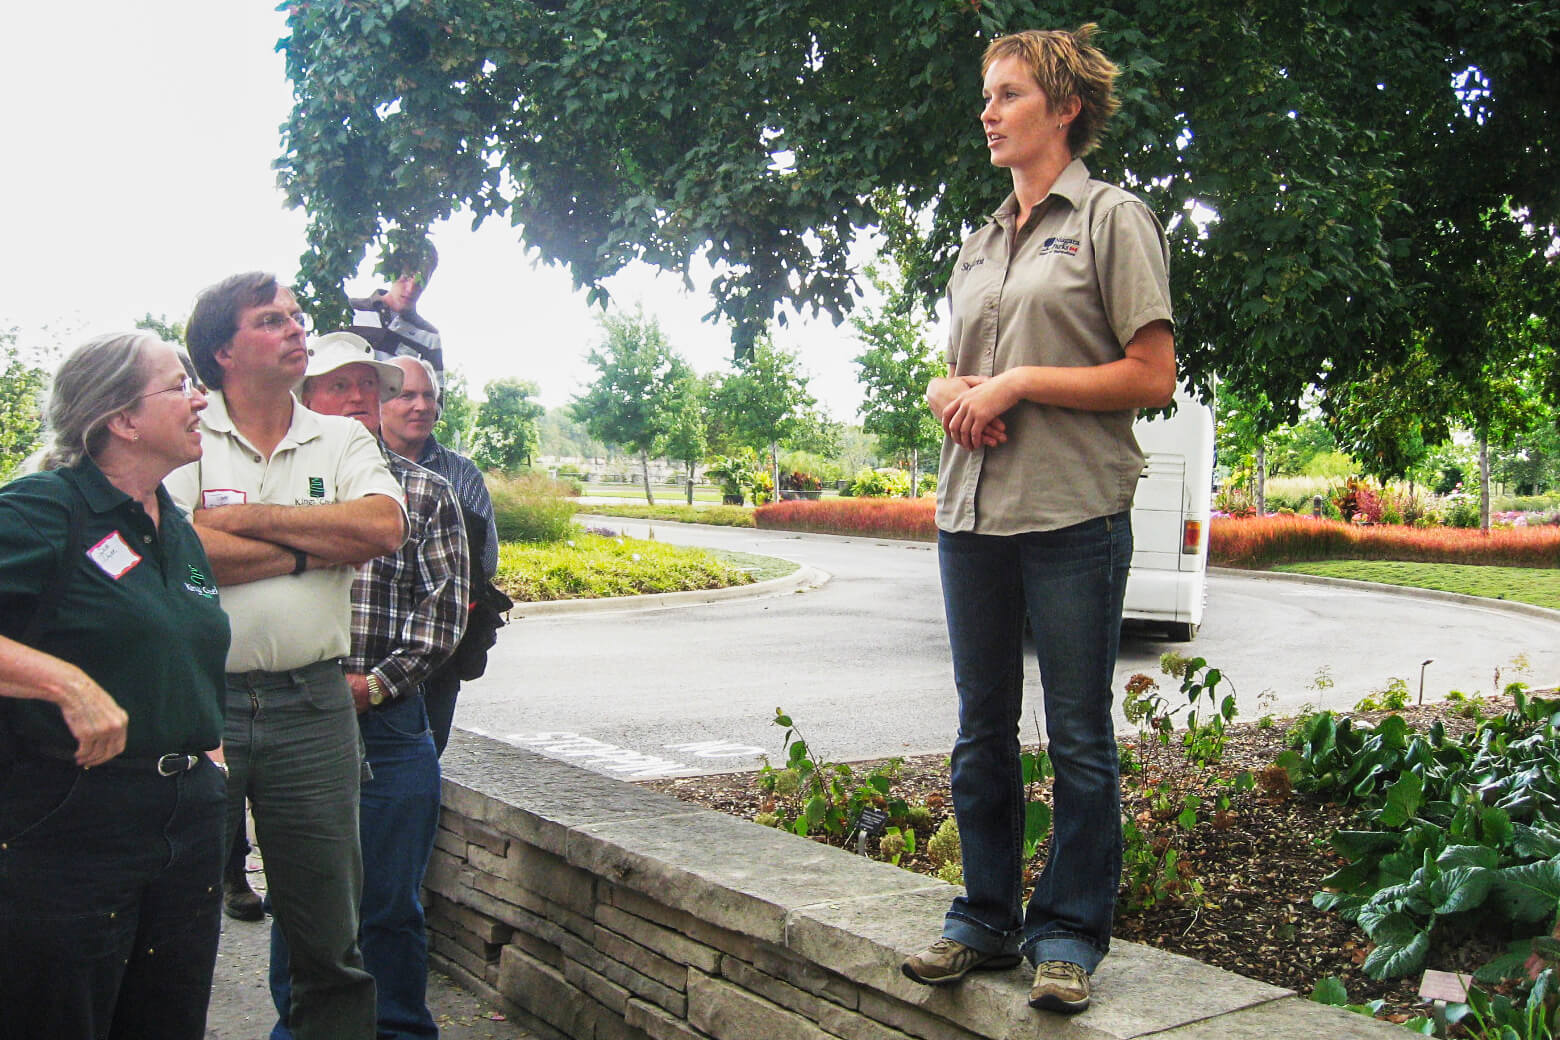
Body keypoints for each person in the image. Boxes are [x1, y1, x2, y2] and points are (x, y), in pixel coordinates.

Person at [900, 26, 1176, 1016]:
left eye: (1008, 93)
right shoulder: (980, 241)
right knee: (981, 729)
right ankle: (982, 918)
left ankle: (1067, 934)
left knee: (1078, 733)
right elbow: (959, 364)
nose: (988, 110)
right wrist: (950, 390)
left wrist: (1017, 379)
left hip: (1072, 515)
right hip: (971, 516)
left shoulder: (1112, 219)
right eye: (987, 94)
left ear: (1063, 108)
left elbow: (1151, 375)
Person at [167, 272, 408, 1040]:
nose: (296, 329)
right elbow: (174, 552)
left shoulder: (343, 437)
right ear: (222, 350)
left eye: (298, 316)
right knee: (167, 923)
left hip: (313, 704)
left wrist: (257, 527)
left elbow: (378, 529)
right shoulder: (184, 432)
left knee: (328, 937)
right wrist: (312, 544)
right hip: (194, 706)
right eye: (271, 320)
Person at [0, 333, 231, 1039]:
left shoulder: (177, 529)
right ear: (121, 420)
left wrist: (209, 760)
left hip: (185, 825)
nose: (200, 398)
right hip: (73, 823)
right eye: (178, 385)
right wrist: (62, 679)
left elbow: (181, 659)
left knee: (167, 1019)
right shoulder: (46, 508)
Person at [269, 332, 470, 1039]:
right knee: (301, 904)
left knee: (389, 905)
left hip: (388, 724)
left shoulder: (426, 491)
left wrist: (374, 687)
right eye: (337, 386)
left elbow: (443, 615)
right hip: (292, 718)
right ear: (307, 398)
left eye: (368, 386)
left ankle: (398, 1032)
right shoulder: (279, 486)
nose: (357, 400)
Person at [379, 354, 499, 754]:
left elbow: (484, 563)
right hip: (367, 653)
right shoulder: (354, 463)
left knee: (424, 760)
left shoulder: (461, 474)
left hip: (436, 653)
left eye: (429, 396)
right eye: (406, 395)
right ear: (379, 401)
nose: (421, 405)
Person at [349, 243, 443, 375]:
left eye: (420, 282)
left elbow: (434, 393)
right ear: (392, 270)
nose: (410, 289)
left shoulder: (430, 337)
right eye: (405, 277)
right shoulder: (350, 311)